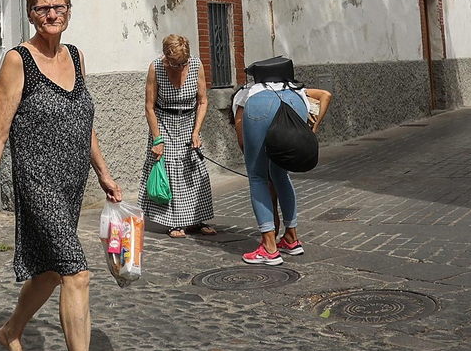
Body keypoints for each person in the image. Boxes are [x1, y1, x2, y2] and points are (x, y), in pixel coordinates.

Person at [0, 0, 123, 351]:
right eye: (42, 8)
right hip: (37, 181)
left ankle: (10, 332)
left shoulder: (76, 56)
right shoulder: (19, 60)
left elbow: (83, 119)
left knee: (52, 272)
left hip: (73, 181)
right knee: (77, 272)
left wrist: (104, 174)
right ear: (31, 14)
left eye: (59, 7)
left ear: (69, 10)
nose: (51, 15)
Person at [231, 60, 332, 265]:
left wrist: (247, 151)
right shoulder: (297, 90)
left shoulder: (249, 91)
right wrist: (313, 130)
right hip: (295, 105)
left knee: (258, 176)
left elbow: (241, 132)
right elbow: (325, 97)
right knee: (280, 174)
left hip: (260, 108)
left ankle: (269, 247)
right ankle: (291, 239)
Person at [142, 35, 216, 238]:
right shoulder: (156, 68)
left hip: (189, 120)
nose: (181, 67)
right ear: (167, 57)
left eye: (184, 63)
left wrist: (196, 131)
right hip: (164, 121)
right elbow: (149, 107)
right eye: (176, 64)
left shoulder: (196, 65)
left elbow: (202, 101)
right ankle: (173, 222)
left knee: (193, 168)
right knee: (170, 169)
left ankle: (196, 219)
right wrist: (157, 139)